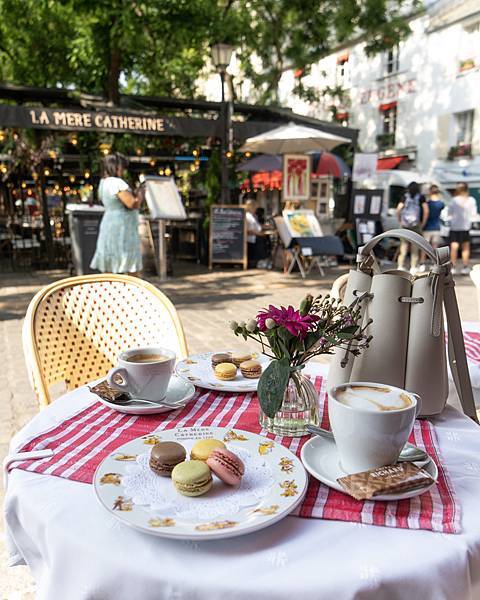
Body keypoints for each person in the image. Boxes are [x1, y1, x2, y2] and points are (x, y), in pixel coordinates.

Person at [90, 153, 143, 274]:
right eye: (122, 167)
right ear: (116, 167)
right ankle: (131, 292)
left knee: (110, 263)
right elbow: (132, 203)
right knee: (128, 264)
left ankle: (110, 291)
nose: (123, 170)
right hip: (121, 228)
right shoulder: (116, 183)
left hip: (109, 223)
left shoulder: (103, 183)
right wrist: (141, 194)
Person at [396, 181, 429, 273]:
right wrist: (423, 223)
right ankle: (413, 266)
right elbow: (426, 211)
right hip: (416, 224)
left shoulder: (405, 197)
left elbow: (398, 209)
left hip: (404, 225)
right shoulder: (421, 197)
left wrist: (400, 220)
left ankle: (400, 265)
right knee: (415, 246)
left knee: (404, 246)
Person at [448, 182, 478, 275]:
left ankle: (453, 268)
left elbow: (449, 213)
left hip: (455, 226)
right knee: (466, 248)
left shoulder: (453, 200)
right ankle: (465, 267)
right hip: (465, 227)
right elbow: (474, 214)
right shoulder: (471, 200)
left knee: (454, 247)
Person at [419, 184, 445, 269]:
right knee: (435, 247)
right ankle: (434, 264)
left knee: (424, 247)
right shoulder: (441, 204)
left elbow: (425, 214)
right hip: (436, 227)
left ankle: (422, 263)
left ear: (430, 192)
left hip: (427, 227)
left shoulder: (427, 203)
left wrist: (422, 224)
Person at [245, 198, 263, 268]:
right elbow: (248, 230)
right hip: (251, 239)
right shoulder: (247, 216)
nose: (256, 209)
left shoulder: (253, 215)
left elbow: (257, 226)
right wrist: (259, 234)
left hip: (255, 237)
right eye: (255, 207)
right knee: (252, 255)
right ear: (251, 207)